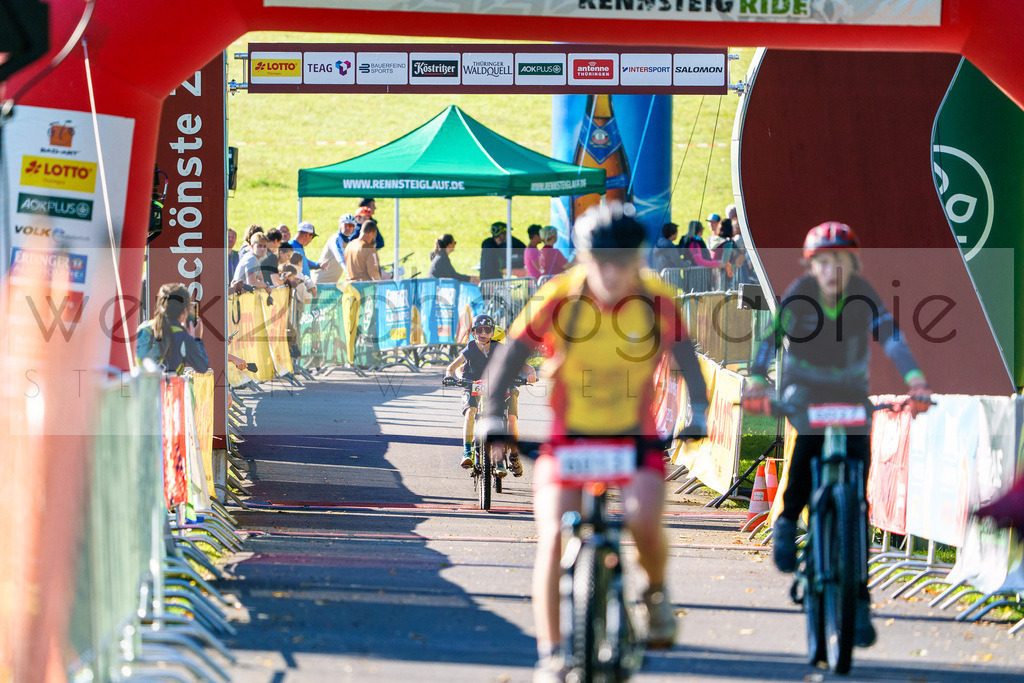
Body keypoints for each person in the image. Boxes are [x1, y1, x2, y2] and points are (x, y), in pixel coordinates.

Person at [478, 202, 710, 681]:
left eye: (622, 262)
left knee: (645, 520)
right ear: (583, 258)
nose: (610, 272)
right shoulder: (559, 297)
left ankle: (655, 593)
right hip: (571, 440)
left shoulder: (656, 299)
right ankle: (551, 653)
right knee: (553, 536)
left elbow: (687, 359)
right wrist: (492, 415)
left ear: (637, 261)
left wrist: (700, 414)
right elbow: (509, 353)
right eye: (600, 261)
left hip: (634, 436)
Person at [740, 221, 933, 650]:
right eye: (823, 262)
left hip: (849, 392)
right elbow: (769, 340)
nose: (832, 270)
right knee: (807, 447)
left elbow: (894, 338)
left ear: (853, 264)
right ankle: (788, 522)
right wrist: (755, 380)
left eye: (841, 261)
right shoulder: (798, 295)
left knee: (858, 498)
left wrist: (916, 380)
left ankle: (858, 602)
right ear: (812, 266)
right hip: (804, 389)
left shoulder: (864, 294)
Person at [444, 313, 537, 477]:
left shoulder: (501, 349)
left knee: (510, 419)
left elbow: (523, 365)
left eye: (487, 330)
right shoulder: (472, 348)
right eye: (479, 330)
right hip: (475, 385)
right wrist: (454, 377)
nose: (483, 333)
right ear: (473, 333)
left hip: (503, 387)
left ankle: (512, 456)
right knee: (471, 412)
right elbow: (455, 367)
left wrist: (531, 372)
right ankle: (467, 451)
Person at [135, 283, 210, 374]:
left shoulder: (144, 328)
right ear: (185, 311)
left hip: (138, 385)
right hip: (165, 387)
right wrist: (197, 339)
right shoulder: (183, 338)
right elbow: (202, 367)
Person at [313, 213, 356, 285]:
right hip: (320, 280)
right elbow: (341, 257)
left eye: (351, 226)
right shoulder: (336, 239)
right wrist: (351, 274)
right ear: (340, 225)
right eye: (346, 225)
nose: (348, 228)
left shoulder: (348, 241)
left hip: (332, 282)